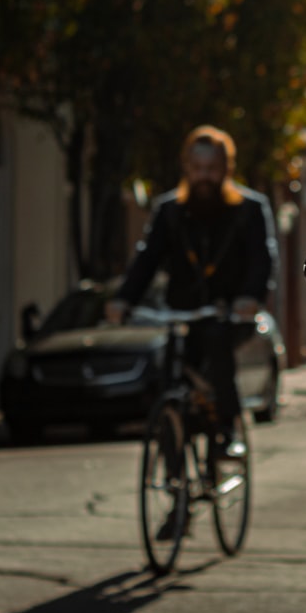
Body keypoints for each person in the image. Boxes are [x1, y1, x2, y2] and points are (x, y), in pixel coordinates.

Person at [105, 125, 278, 458]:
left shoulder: (250, 208)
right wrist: (124, 299)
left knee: (217, 344)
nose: (204, 176)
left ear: (226, 169)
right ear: (186, 168)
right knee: (169, 367)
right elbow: (147, 259)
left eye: (212, 169)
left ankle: (227, 430)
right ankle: (172, 449)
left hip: (228, 312)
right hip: (181, 311)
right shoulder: (169, 210)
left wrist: (249, 297)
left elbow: (262, 260)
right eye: (197, 168)